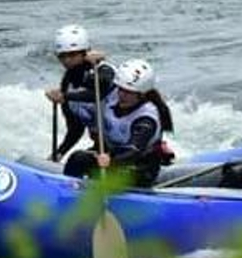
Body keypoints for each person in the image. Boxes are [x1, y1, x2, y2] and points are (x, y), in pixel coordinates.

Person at [63, 58, 175, 188]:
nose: (122, 95)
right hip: (111, 157)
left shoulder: (146, 119)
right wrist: (65, 95)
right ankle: (67, 190)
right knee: (78, 158)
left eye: (129, 92)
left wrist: (112, 161)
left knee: (115, 173)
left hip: (140, 167)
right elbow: (99, 79)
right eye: (121, 89)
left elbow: (134, 151)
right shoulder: (114, 94)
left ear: (142, 95)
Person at [45, 23, 117, 163]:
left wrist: (65, 96)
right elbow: (76, 129)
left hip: (124, 147)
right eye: (62, 56)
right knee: (76, 159)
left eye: (72, 55)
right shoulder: (67, 83)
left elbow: (98, 92)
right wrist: (59, 153)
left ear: (85, 52)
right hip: (101, 148)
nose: (67, 61)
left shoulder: (103, 70)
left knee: (78, 159)